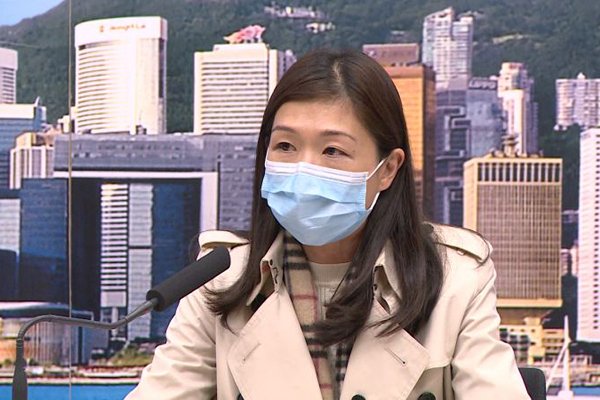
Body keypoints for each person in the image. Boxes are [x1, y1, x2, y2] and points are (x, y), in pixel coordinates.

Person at [125, 49, 530, 400]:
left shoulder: (456, 279)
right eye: (285, 146)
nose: (305, 168)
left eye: (333, 150)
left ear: (388, 169)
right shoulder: (222, 278)